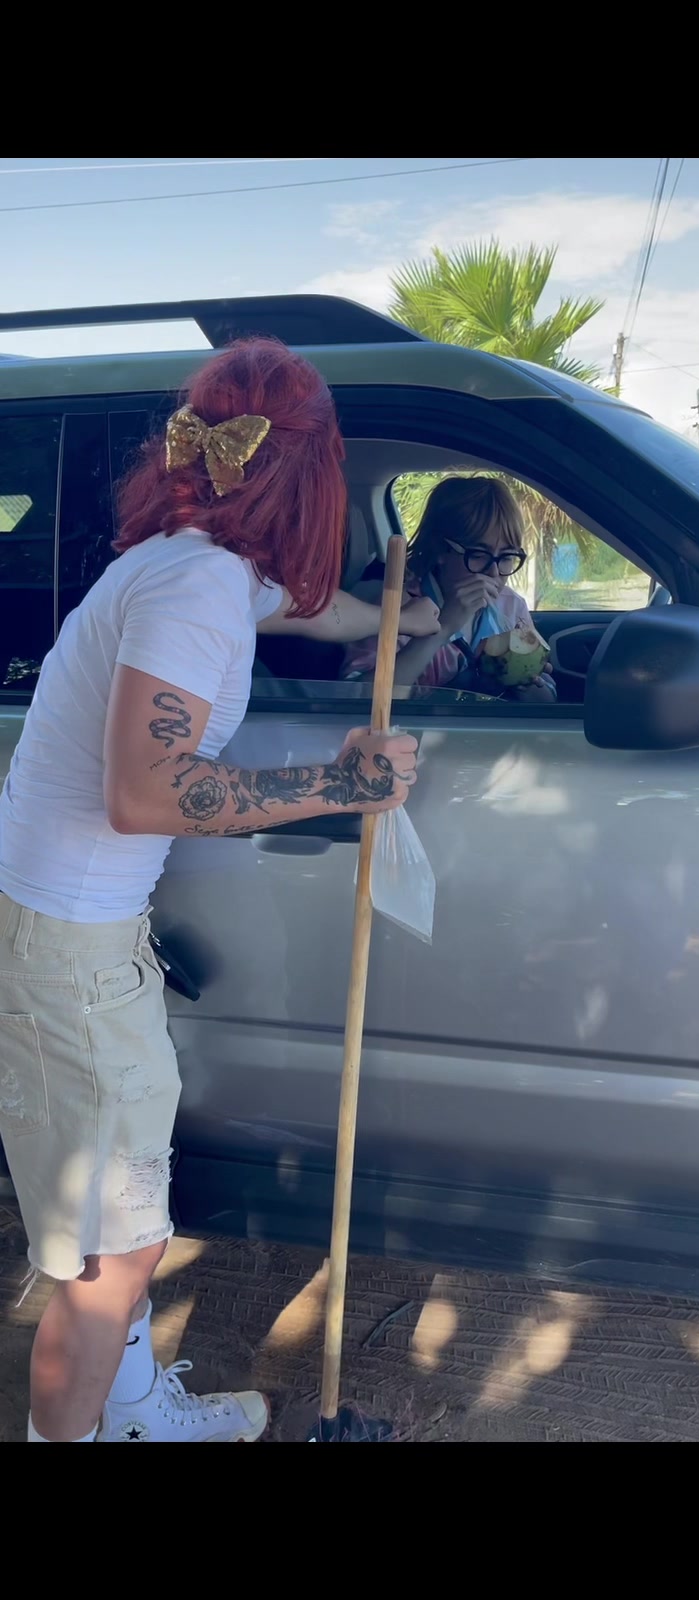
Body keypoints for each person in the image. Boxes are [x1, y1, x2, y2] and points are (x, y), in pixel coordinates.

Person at [0, 336, 438, 1444]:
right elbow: (146, 791)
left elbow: (296, 609)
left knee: (116, 1229)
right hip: (71, 952)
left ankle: (133, 1411)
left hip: (63, 930)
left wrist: (405, 618)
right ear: (314, 478)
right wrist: (343, 783)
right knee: (109, 1256)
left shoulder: (187, 563)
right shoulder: (196, 585)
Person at [343, 476, 556, 702]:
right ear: (441, 549)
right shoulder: (398, 610)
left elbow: (547, 702)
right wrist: (443, 628)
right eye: (478, 554)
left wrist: (525, 683)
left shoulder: (510, 607)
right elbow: (357, 700)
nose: (494, 572)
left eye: (507, 557)